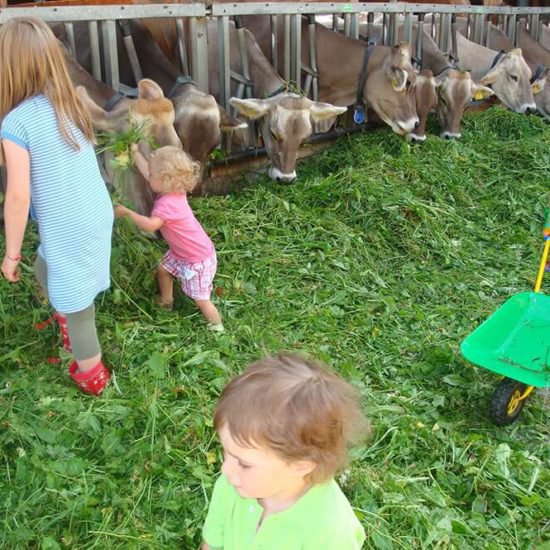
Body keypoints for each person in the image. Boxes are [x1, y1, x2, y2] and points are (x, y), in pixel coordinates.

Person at [0, 17, 113, 396]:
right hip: (93, 213)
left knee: (78, 306)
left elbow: (18, 196)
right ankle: (68, 318)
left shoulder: (15, 123)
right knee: (46, 268)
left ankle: (93, 377)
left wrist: (10, 254)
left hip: (68, 224)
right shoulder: (70, 103)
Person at [202, 353, 369, 549]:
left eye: (244, 464)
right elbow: (213, 538)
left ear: (300, 466)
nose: (225, 470)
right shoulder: (233, 484)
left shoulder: (331, 531)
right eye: (225, 452)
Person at [115, 144, 223, 331]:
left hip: (197, 259)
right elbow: (148, 172)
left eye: (151, 175)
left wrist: (127, 213)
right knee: (163, 270)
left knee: (201, 300)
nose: (148, 177)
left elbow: (151, 225)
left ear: (164, 180)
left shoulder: (167, 204)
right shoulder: (174, 190)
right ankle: (167, 301)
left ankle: (217, 327)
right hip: (182, 253)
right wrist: (135, 153)